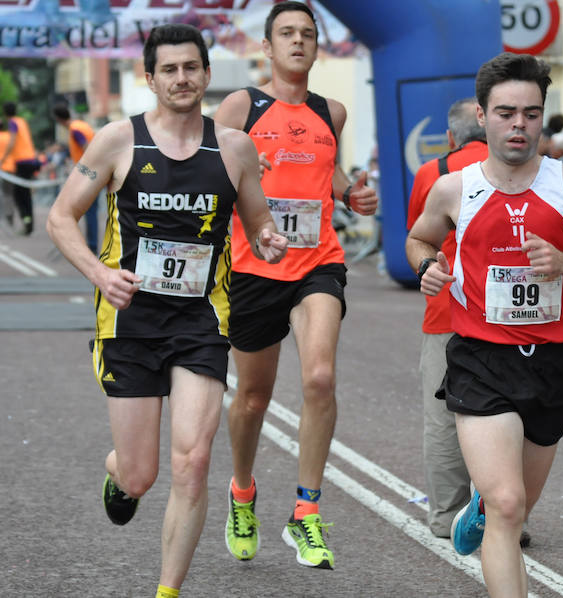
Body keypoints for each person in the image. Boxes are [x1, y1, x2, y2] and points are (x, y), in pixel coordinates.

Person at [45, 24, 287, 598]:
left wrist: (270, 236)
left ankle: (168, 590)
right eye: (170, 69)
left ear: (206, 73)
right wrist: (101, 274)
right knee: (142, 473)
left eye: (192, 67)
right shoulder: (116, 141)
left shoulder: (234, 148)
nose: (183, 78)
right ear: (150, 78)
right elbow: (60, 218)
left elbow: (257, 221)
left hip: (200, 321)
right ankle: (119, 476)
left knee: (194, 461)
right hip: (129, 323)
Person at [406, 52, 563, 597]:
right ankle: (492, 500)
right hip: (480, 357)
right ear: (482, 117)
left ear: (543, 117)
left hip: (553, 363)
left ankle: (486, 498)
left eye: (531, 114)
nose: (519, 125)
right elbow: (418, 238)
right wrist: (427, 267)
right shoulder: (454, 189)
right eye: (506, 112)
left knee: (515, 502)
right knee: (510, 509)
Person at [214, 1, 378, 568]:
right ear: (266, 46)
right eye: (286, 33)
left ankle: (305, 513)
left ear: (317, 45)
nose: (298, 41)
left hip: (317, 262)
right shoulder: (242, 105)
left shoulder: (331, 111)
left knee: (321, 378)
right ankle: (241, 492)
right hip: (254, 268)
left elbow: (329, 177)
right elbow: (214, 172)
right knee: (254, 398)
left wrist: (351, 193)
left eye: (307, 33)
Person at [405, 97, 488, 539]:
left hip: (445, 309)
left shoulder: (433, 173)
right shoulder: (520, 170)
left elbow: (417, 235)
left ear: (451, 137)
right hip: (507, 317)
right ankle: (510, 513)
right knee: (508, 414)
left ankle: (445, 517)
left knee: (443, 419)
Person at [52, 102, 99, 253]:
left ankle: (90, 246)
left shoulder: (75, 130)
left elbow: (87, 148)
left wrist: (81, 169)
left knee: (85, 211)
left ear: (58, 119)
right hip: (93, 173)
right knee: (88, 211)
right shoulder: (81, 124)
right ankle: (89, 244)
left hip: (88, 176)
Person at [0, 102, 40, 235]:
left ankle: (26, 221)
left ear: (5, 113)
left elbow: (12, 142)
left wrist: (3, 159)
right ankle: (28, 223)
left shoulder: (12, 122)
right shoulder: (22, 121)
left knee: (18, 193)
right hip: (30, 159)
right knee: (24, 192)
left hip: (22, 161)